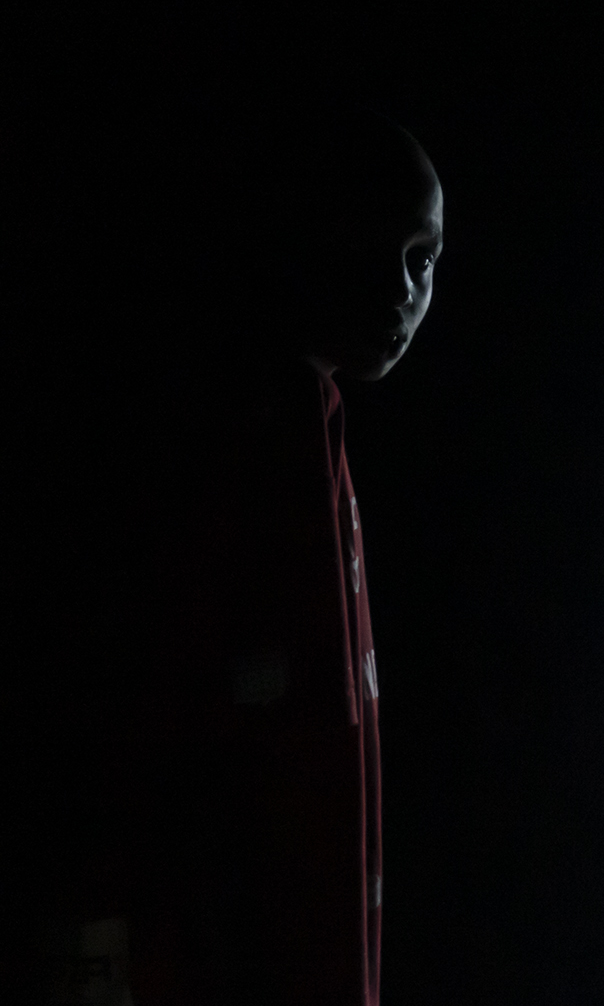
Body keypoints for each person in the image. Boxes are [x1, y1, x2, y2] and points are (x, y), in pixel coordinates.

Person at [12, 102, 443, 1006]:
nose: (401, 289)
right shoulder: (205, 435)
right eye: (373, 249)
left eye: (423, 259)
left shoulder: (315, 429)